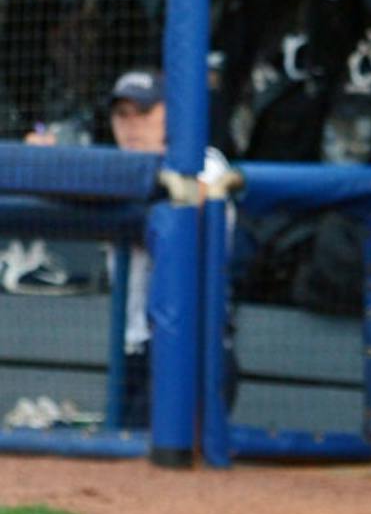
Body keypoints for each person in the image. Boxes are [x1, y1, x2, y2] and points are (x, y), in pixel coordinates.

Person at [31, 70, 231, 428]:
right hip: (132, 353)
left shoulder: (206, 162)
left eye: (144, 111)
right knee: (122, 460)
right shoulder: (110, 169)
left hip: (194, 349)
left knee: (164, 462)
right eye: (122, 114)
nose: (132, 124)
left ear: (174, 113)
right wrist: (45, 164)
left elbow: (193, 199)